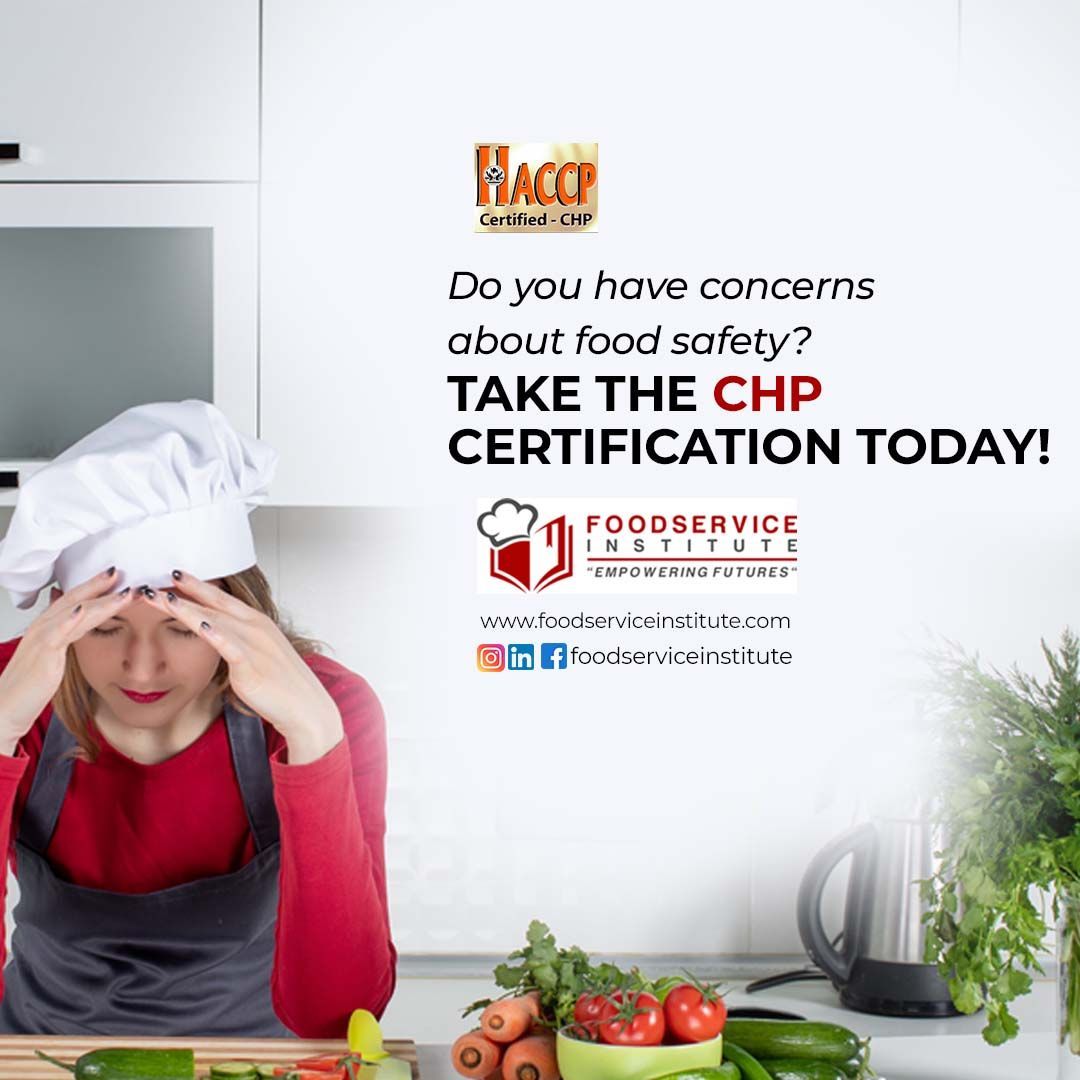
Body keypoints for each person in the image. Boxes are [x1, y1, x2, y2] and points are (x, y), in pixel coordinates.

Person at [0, 400, 396, 1036]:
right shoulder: (12, 693)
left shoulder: (326, 707)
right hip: (39, 1059)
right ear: (61, 619)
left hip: (261, 1073)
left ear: (238, 611)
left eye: (185, 629)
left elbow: (338, 1012)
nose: (142, 669)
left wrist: (315, 742)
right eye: (106, 627)